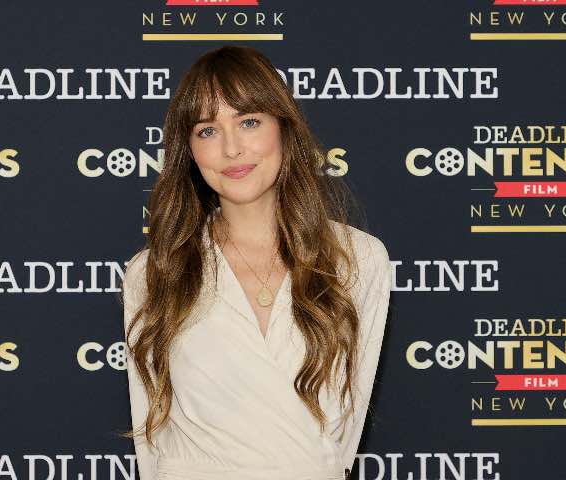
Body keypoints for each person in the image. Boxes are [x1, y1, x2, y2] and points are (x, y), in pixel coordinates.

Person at [119, 45, 391, 480]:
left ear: (283, 128)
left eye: (249, 122)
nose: (232, 149)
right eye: (208, 130)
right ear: (189, 150)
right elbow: (151, 436)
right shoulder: (154, 272)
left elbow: (345, 434)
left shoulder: (357, 258)